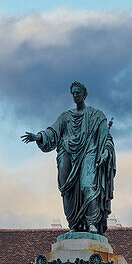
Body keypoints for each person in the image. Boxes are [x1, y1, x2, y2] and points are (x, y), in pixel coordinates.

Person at [21, 81, 115, 234]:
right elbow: (52, 131)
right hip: (67, 153)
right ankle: (75, 224)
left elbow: (106, 138)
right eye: (73, 93)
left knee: (87, 185)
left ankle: (92, 222)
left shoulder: (97, 116)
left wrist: (105, 152)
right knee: (67, 189)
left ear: (84, 95)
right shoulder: (65, 117)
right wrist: (38, 136)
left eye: (78, 93)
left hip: (89, 153)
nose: (75, 95)